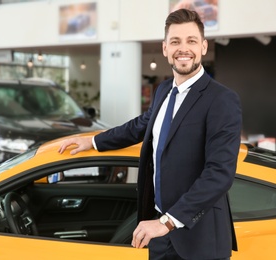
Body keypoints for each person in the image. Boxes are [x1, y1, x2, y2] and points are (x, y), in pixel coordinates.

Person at [58, 8, 241, 260]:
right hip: (159, 235)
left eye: (191, 41)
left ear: (204, 47)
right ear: (165, 48)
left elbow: (219, 174)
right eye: (175, 41)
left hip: (199, 240)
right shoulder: (164, 90)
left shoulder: (222, 100)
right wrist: (92, 140)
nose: (183, 48)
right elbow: (140, 126)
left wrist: (166, 222)